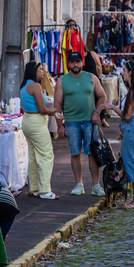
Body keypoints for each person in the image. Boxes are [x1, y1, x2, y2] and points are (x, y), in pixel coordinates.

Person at [54, 51, 108, 197]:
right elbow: (57, 104)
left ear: (82, 62)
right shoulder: (62, 81)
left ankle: (96, 185)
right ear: (68, 64)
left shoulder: (92, 78)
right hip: (71, 122)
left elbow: (102, 96)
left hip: (90, 121)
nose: (75, 65)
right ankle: (79, 184)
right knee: (75, 153)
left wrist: (97, 112)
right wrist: (59, 125)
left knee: (93, 153)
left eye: (78, 61)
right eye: (72, 62)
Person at [103, 60, 134, 209]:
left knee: (132, 164)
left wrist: (112, 107)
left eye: (124, 70)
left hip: (133, 129)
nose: (122, 73)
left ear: (130, 73)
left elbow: (127, 115)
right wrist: (121, 126)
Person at [19, 62, 58, 200]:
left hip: (27, 121)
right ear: (33, 71)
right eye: (40, 69)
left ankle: (34, 187)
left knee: (33, 156)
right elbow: (42, 109)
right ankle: (45, 190)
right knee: (46, 155)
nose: (43, 72)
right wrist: (54, 111)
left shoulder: (24, 86)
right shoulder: (35, 86)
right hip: (36, 123)